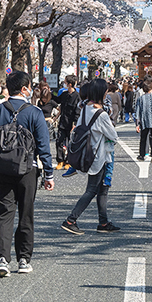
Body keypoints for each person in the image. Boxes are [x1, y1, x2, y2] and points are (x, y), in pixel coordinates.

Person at [0, 71, 55, 277]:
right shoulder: (34, 112)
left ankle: (2, 260)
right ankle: (23, 259)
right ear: (24, 88)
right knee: (26, 213)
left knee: (4, 214)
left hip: (2, 169)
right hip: (28, 169)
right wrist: (48, 174)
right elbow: (43, 145)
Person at [61, 78, 120, 235]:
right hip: (98, 156)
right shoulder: (101, 114)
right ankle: (71, 220)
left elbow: (80, 126)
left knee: (101, 189)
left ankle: (103, 222)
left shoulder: (86, 108)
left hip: (87, 153)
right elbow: (113, 136)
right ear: (101, 93)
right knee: (92, 189)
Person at [134, 78, 152, 162]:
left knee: (143, 137)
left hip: (144, 120)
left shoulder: (140, 99)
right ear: (151, 88)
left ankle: (142, 154)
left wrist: (137, 124)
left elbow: (137, 111)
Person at [55, 76, 80, 168]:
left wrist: (75, 124)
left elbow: (78, 111)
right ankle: (60, 160)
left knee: (70, 143)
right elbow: (57, 99)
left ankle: (69, 161)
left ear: (70, 84)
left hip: (71, 123)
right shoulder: (64, 94)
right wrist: (50, 92)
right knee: (59, 141)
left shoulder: (77, 96)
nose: (64, 83)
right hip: (62, 122)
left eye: (65, 82)